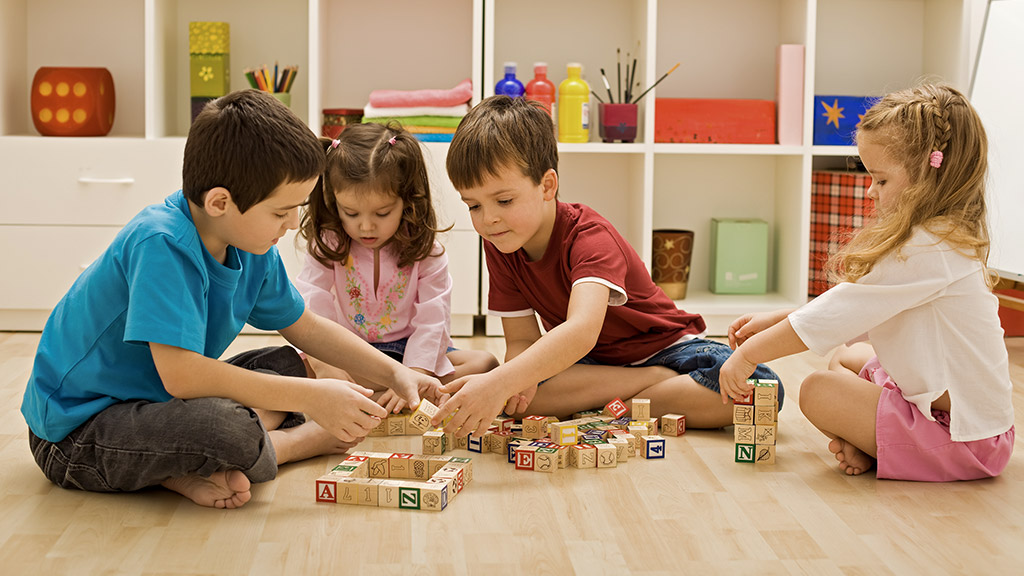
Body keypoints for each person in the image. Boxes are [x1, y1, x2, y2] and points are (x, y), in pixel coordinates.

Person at [20, 90, 443, 509]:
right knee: (227, 428)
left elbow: (307, 328)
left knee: (292, 363)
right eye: (281, 212)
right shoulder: (162, 243)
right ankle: (289, 443)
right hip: (77, 433)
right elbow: (182, 377)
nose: (293, 224)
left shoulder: (251, 243)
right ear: (221, 202)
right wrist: (311, 401)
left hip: (157, 405)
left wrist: (394, 373)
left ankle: (184, 468)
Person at [432, 95, 782, 436]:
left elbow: (581, 331)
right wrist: (512, 383)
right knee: (526, 398)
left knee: (763, 391)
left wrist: (501, 383)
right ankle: (649, 387)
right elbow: (522, 340)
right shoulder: (502, 241)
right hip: (593, 365)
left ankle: (634, 392)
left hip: (668, 349)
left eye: (504, 200)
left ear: (547, 186)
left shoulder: (589, 236)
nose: (488, 219)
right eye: (473, 206)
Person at [720, 83, 1015, 481]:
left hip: (965, 438)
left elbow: (840, 312)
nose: (870, 191)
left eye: (881, 180)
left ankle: (880, 447)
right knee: (843, 358)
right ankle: (875, 443)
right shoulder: (938, 236)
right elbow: (854, 307)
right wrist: (776, 320)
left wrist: (749, 355)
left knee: (817, 390)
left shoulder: (927, 249)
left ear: (931, 174)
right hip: (964, 416)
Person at [295, 122, 498, 411]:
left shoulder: (427, 252)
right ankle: (385, 397)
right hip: (352, 354)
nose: (365, 226)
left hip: (408, 353)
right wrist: (327, 364)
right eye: (350, 212)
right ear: (333, 200)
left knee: (485, 363)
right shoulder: (330, 242)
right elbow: (311, 302)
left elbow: (433, 319)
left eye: (382, 212)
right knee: (296, 368)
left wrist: (416, 374)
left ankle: (380, 397)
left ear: (407, 200)